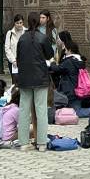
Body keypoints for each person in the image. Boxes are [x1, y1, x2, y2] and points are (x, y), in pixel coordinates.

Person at [16, 11, 54, 151]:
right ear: (38, 22)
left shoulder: (22, 38)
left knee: (24, 110)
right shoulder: (42, 38)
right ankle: (42, 143)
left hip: (24, 78)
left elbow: (18, 57)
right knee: (41, 110)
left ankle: (23, 143)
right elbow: (49, 55)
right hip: (40, 77)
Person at [50, 32, 86, 108]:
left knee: (72, 108)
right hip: (77, 87)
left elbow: (58, 69)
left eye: (66, 50)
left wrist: (52, 62)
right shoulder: (79, 59)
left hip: (69, 88)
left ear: (69, 50)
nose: (65, 52)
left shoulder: (69, 61)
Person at [5, 14, 25, 81]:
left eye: (20, 23)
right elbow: (7, 48)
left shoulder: (26, 32)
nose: (19, 25)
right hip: (13, 61)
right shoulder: (9, 33)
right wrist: (13, 60)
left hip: (24, 61)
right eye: (17, 23)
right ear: (14, 23)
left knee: (24, 81)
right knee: (15, 81)